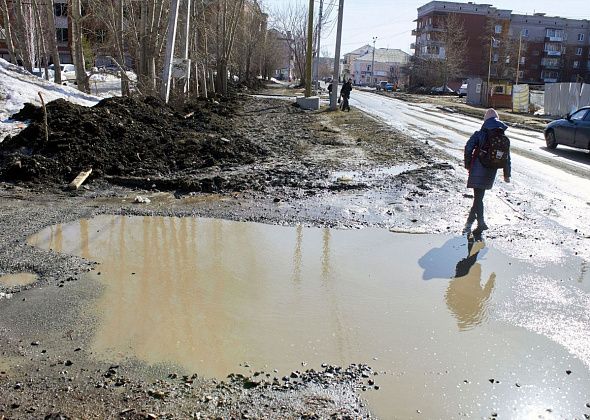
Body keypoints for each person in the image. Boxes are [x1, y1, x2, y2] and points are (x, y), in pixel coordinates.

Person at [463, 108, 511, 235]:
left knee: (478, 198)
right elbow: (507, 157)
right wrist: (507, 174)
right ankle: (469, 222)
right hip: (491, 170)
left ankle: (481, 222)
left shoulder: (479, 134)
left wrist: (467, 164)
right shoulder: (502, 136)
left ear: (485, 120)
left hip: (478, 168)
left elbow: (468, 147)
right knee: (479, 197)